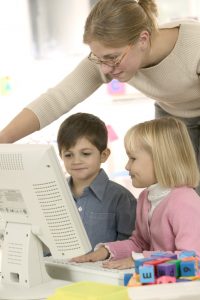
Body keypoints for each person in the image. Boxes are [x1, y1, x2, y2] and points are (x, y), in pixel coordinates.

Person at [0, 0, 199, 192]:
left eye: (112, 58)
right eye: (99, 58)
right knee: (168, 191)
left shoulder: (195, 49)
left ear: (143, 40)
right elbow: (57, 99)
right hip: (172, 115)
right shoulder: (110, 57)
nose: (105, 68)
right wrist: (4, 139)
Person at [71, 117, 200, 269]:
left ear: (160, 160)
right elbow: (140, 243)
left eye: (133, 158)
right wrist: (105, 251)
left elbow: (192, 258)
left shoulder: (184, 201)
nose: (127, 166)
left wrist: (140, 260)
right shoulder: (146, 197)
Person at [57, 112, 137, 249]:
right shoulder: (55, 193)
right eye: (68, 155)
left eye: (86, 154)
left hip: (103, 269)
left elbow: (131, 245)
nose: (76, 161)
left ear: (104, 155)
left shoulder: (121, 198)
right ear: (61, 156)